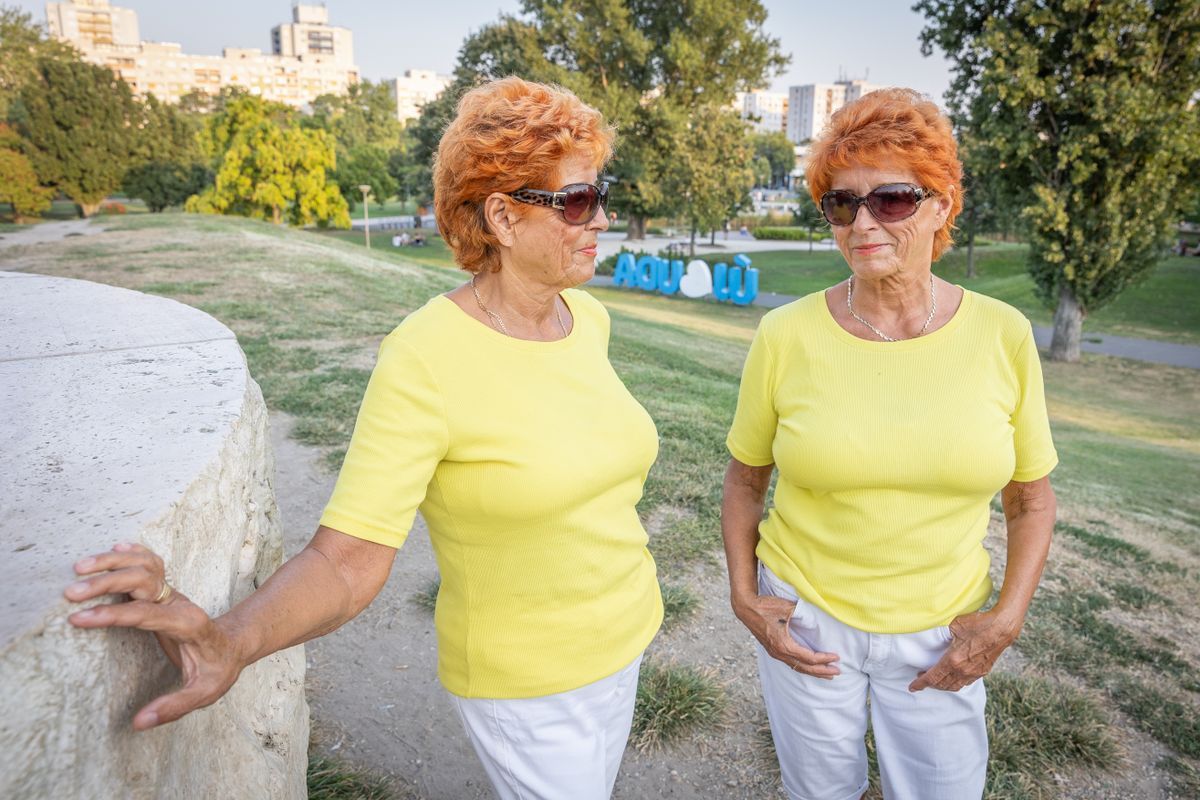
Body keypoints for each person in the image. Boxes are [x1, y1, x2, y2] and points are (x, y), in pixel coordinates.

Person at [64, 77, 663, 800]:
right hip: (529, 681)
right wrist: (232, 640)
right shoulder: (426, 357)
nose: (600, 218)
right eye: (576, 201)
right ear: (503, 217)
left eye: (601, 194)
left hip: (627, 642)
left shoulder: (587, 321)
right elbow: (347, 561)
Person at [721, 88, 1058, 800]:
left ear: (941, 206)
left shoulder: (1003, 334)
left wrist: (1006, 619)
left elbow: (1030, 501)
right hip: (808, 618)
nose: (863, 223)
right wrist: (745, 596)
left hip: (942, 627)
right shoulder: (785, 335)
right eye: (841, 204)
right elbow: (745, 480)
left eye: (893, 199)